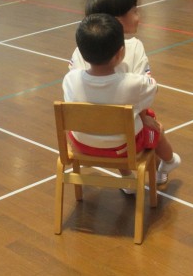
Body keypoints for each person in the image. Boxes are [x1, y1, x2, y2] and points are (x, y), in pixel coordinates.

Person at [64, 13, 180, 187]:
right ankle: (170, 161)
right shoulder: (133, 83)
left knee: (108, 124)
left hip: (82, 146)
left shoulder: (70, 79)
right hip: (124, 149)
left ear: (80, 53)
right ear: (121, 53)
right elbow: (153, 88)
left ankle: (127, 179)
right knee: (156, 128)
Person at [69, 0, 150, 76]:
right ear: (117, 21)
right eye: (135, 11)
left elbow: (75, 82)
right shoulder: (135, 48)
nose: (138, 16)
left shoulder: (80, 51)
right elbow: (144, 84)